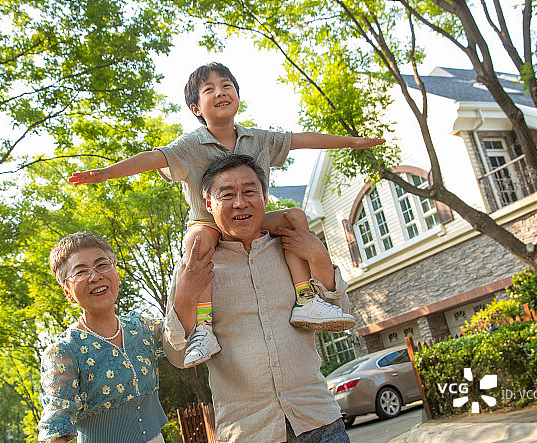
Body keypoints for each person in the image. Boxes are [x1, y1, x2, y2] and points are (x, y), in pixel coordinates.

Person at [70, 62, 384, 368]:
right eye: (210, 89)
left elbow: (301, 139)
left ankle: (306, 300)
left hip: (253, 220)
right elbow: (153, 158)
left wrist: (351, 142)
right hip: (207, 223)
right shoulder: (191, 145)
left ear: (237, 94)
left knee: (295, 218)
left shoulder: (257, 138)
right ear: (196, 108)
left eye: (226, 86)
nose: (221, 92)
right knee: (197, 245)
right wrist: (105, 173)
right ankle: (204, 328)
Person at [164, 154, 375, 443]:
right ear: (209, 205)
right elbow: (178, 356)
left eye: (250, 191)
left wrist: (318, 257)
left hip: (319, 424)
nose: (240, 202)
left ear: (265, 197)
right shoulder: (195, 267)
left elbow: (339, 314)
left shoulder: (291, 246)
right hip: (249, 441)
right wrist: (185, 294)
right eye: (227, 194)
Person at [38, 232, 205, 443]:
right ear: (67, 290)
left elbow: (181, 350)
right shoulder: (64, 351)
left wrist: (189, 289)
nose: (95, 276)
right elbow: (52, 437)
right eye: (80, 271)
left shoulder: (142, 327)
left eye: (102, 265)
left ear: (115, 272)